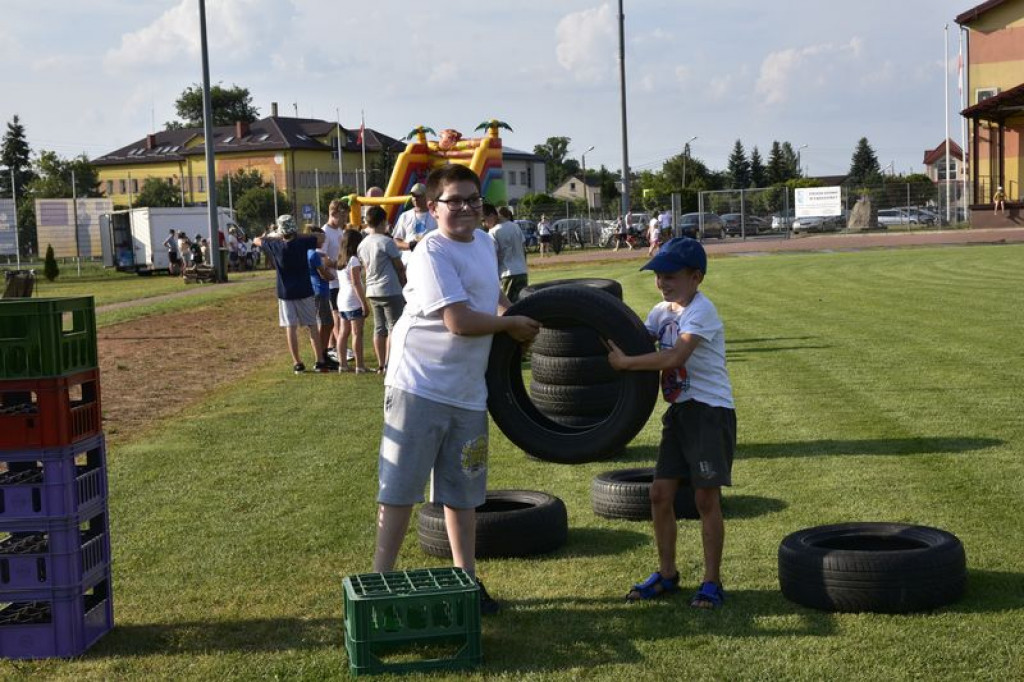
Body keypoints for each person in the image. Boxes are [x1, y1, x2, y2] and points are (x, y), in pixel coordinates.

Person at [372, 164, 541, 615]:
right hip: (419, 386)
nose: (466, 208)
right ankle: (379, 584)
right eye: (454, 201)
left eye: (473, 199)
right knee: (400, 490)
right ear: (432, 207)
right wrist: (508, 325)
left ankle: (467, 583)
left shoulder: (484, 242)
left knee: (463, 494)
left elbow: (490, 300)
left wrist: (513, 311)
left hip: (467, 392)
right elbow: (459, 321)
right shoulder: (431, 251)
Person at [606, 237, 735, 610]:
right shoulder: (661, 312)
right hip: (679, 412)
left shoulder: (701, 312)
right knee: (659, 494)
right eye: (658, 276)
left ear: (696, 277)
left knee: (704, 498)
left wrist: (627, 364)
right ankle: (667, 574)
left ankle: (712, 582)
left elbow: (676, 355)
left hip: (710, 412)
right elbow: (636, 343)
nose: (663, 283)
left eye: (671, 276)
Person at [256, 215, 333, 373]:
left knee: (290, 327)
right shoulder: (302, 242)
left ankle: (297, 362)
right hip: (305, 289)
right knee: (312, 325)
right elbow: (322, 238)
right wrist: (298, 234)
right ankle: (319, 360)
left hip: (285, 292)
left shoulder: (275, 244)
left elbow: (257, 239)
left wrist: (276, 235)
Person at [357, 206, 406, 373]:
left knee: (379, 328)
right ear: (383, 221)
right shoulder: (386, 242)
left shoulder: (362, 244)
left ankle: (380, 364)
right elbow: (399, 267)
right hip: (390, 289)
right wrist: (404, 284)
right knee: (394, 327)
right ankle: (390, 363)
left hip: (372, 290)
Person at [335, 228, 370, 373]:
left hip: (342, 299)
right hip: (352, 299)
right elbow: (356, 283)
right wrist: (364, 303)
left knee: (343, 332)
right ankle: (359, 365)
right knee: (357, 333)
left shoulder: (340, 259)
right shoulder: (354, 260)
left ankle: (342, 364)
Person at [307, 227, 338, 359]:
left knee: (326, 323)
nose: (324, 240)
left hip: (318, 291)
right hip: (319, 291)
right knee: (326, 323)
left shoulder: (310, 253)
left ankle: (322, 353)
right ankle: (321, 354)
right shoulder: (313, 255)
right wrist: (333, 275)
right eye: (321, 237)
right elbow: (324, 275)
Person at [322, 199, 347, 363]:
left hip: (341, 280)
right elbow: (321, 258)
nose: (345, 220)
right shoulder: (324, 232)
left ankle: (333, 349)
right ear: (334, 213)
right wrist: (338, 265)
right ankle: (340, 351)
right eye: (343, 216)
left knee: (336, 318)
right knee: (337, 317)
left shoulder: (338, 231)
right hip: (332, 283)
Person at [488, 206, 529, 303]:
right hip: (521, 271)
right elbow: (523, 248)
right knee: (523, 303)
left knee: (507, 306)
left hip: (506, 273)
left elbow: (493, 254)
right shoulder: (516, 227)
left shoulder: (494, 231)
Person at [392, 183, 438, 252]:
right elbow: (396, 241)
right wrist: (409, 245)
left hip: (429, 259)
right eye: (413, 196)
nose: (415, 198)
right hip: (408, 261)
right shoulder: (404, 216)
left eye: (418, 196)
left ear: (426, 197)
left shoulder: (436, 215)